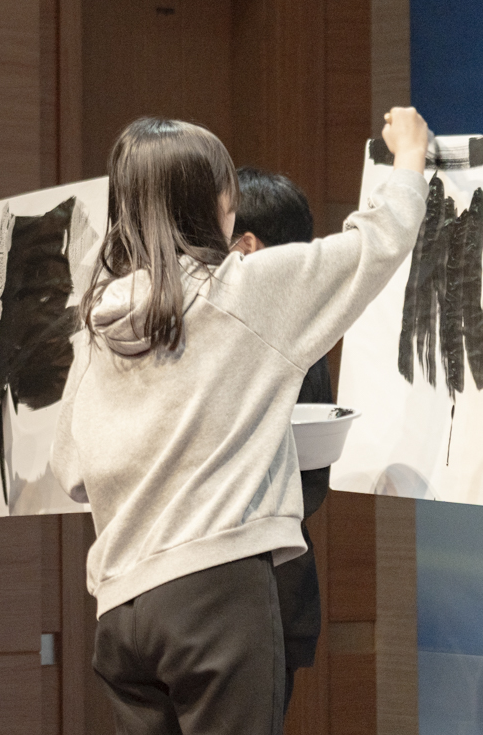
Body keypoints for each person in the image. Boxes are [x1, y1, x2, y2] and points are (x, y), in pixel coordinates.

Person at [51, 108, 429, 734]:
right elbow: (377, 242)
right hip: (217, 595)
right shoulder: (242, 291)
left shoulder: (98, 322)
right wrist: (409, 156)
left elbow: (70, 470)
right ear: (215, 202)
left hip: (120, 608)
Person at [232, 166, 332, 713]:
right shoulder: (304, 326)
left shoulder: (289, 333)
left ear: (246, 245)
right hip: (253, 587)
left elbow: (310, 477)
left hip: (259, 587)